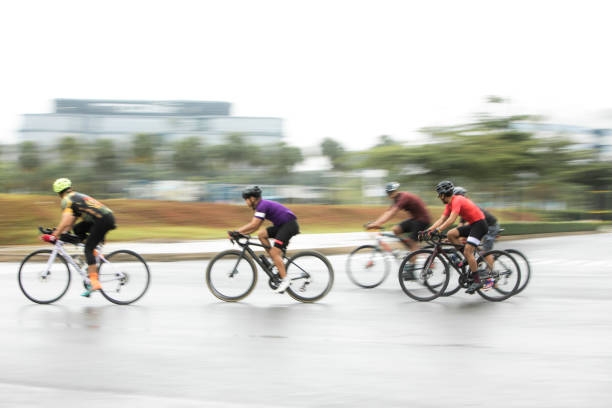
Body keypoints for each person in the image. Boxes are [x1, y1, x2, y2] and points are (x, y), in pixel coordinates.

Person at [41, 178, 116, 294]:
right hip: (102, 218)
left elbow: (65, 220)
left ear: (58, 192)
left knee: (88, 249)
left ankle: (95, 282)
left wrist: (54, 235)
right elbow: (70, 222)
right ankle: (94, 254)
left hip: (102, 220)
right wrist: (58, 232)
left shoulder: (67, 200)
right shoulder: (74, 197)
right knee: (77, 229)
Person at [231, 186, 300, 293]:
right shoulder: (261, 206)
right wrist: (239, 234)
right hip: (282, 225)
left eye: (246, 199)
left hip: (289, 225)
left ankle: (286, 280)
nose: (245, 202)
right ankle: (275, 261)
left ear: (252, 198)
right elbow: (255, 227)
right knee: (262, 234)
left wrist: (237, 232)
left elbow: (254, 225)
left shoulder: (262, 205)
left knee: (274, 252)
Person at [425, 180, 489, 294]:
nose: (439, 198)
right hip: (473, 224)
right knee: (451, 234)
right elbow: (442, 219)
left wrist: (438, 230)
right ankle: (467, 258)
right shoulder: (449, 204)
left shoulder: (457, 200)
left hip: (480, 225)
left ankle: (477, 281)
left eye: (440, 195)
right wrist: (429, 230)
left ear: (444, 194)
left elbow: (452, 219)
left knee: (468, 252)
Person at [366, 182, 431, 279]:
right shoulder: (396, 199)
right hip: (415, 219)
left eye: (392, 192)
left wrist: (376, 224)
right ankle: (412, 249)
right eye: (389, 193)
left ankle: (411, 271)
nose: (391, 195)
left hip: (423, 220)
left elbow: (392, 213)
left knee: (412, 241)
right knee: (395, 230)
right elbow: (387, 212)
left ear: (396, 191)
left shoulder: (403, 197)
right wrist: (376, 222)